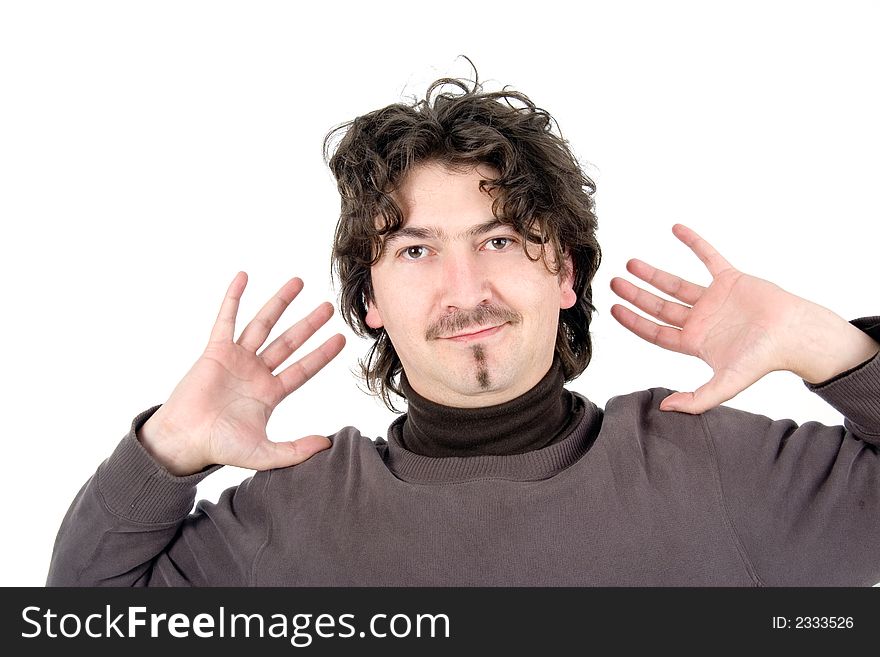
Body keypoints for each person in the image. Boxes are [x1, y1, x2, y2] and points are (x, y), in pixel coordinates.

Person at [47, 69, 880, 587]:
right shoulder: (286, 521)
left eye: (500, 240)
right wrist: (164, 453)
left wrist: (833, 350)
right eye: (415, 250)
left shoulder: (720, 470)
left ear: (564, 273)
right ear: (368, 298)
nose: (464, 288)